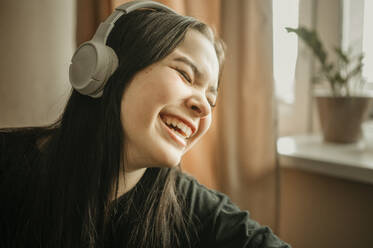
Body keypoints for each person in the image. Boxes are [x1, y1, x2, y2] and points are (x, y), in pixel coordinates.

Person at [0, 1, 291, 247]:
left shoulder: (190, 204)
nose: (203, 106)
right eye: (186, 75)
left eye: (211, 100)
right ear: (104, 72)